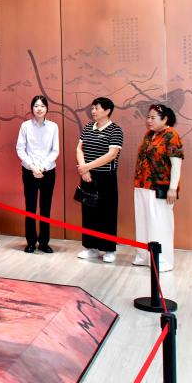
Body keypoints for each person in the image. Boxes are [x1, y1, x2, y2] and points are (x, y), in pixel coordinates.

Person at [132, 104, 184, 272]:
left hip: (160, 186)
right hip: (142, 184)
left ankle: (162, 260)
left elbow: (176, 164)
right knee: (143, 221)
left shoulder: (172, 135)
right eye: (148, 117)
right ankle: (144, 255)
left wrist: (173, 188)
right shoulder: (149, 134)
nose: (149, 120)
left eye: (153, 118)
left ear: (165, 119)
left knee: (160, 223)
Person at [76, 97, 124, 263]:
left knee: (107, 213)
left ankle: (109, 249)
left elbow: (111, 155)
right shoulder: (88, 127)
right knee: (88, 212)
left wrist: (86, 167)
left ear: (107, 110)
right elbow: (79, 149)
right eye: (92, 108)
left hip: (106, 178)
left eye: (97, 108)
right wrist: (84, 169)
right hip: (87, 176)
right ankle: (91, 248)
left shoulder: (115, 130)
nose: (93, 111)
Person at [16, 95, 59, 253]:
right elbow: (20, 149)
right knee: (30, 207)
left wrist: (43, 167)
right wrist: (33, 167)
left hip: (48, 172)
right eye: (36, 106)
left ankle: (44, 242)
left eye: (42, 106)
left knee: (45, 208)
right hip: (29, 171)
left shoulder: (53, 127)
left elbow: (55, 150)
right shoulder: (25, 126)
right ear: (32, 108)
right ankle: (31, 242)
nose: (39, 109)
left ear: (47, 108)